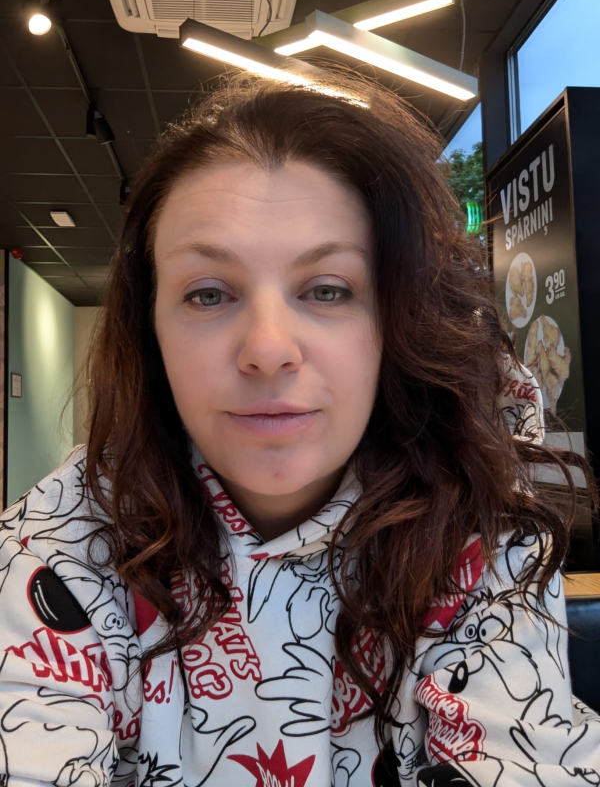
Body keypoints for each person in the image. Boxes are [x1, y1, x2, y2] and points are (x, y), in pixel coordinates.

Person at [0, 65, 598, 787]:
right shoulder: (54, 552)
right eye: (209, 294)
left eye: (328, 290)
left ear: (398, 320)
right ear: (149, 331)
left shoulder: (481, 532)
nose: (268, 349)